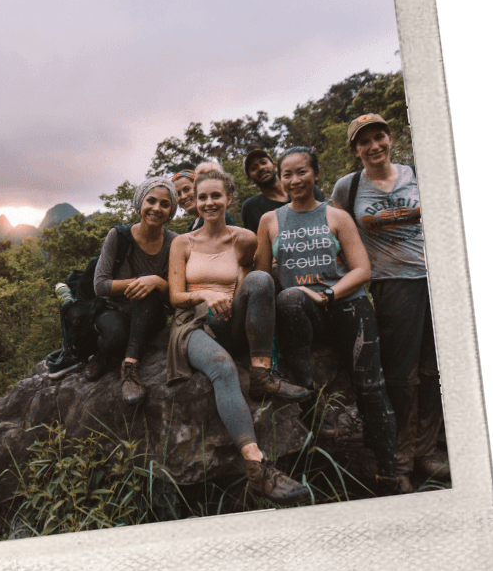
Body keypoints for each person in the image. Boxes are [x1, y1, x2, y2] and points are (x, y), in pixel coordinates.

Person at [255, 147, 407, 493]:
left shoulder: (336, 216)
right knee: (289, 298)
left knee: (371, 386)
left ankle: (389, 471)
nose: (294, 180)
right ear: (280, 179)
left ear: (316, 175)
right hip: (303, 311)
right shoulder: (270, 221)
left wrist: (328, 294)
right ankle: (312, 404)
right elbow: (261, 277)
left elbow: (362, 269)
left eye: (301, 172)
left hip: (346, 304)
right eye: (287, 174)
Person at [167, 167, 313, 503]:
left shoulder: (243, 238)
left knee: (261, 281)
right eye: (202, 197)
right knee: (223, 367)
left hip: (230, 319)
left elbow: (258, 280)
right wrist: (204, 294)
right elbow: (175, 296)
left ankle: (261, 372)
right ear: (195, 202)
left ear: (229, 198)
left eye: (216, 195)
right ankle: (257, 467)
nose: (208, 202)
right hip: (194, 322)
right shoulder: (182, 243)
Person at [334, 113, 445, 485]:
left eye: (379, 137)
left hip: (436, 278)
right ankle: (399, 458)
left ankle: (427, 451)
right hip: (391, 283)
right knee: (401, 374)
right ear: (355, 150)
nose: (374, 146)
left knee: (434, 369)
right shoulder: (348, 188)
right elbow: (332, 233)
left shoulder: (416, 175)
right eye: (364, 142)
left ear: (390, 137)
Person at [89, 177, 178, 400]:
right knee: (114, 340)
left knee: (149, 288)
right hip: (115, 309)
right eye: (151, 201)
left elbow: (175, 295)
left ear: (171, 211)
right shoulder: (118, 236)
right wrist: (140, 280)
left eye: (165, 204)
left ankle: (130, 368)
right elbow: (100, 285)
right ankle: (102, 351)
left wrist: (157, 282)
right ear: (140, 203)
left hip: (151, 313)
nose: (157, 208)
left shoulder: (174, 243)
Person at [241, 146, 324, 231]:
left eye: (263, 162)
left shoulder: (309, 190)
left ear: (275, 167)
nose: (261, 168)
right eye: (254, 168)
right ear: (250, 179)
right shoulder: (251, 207)